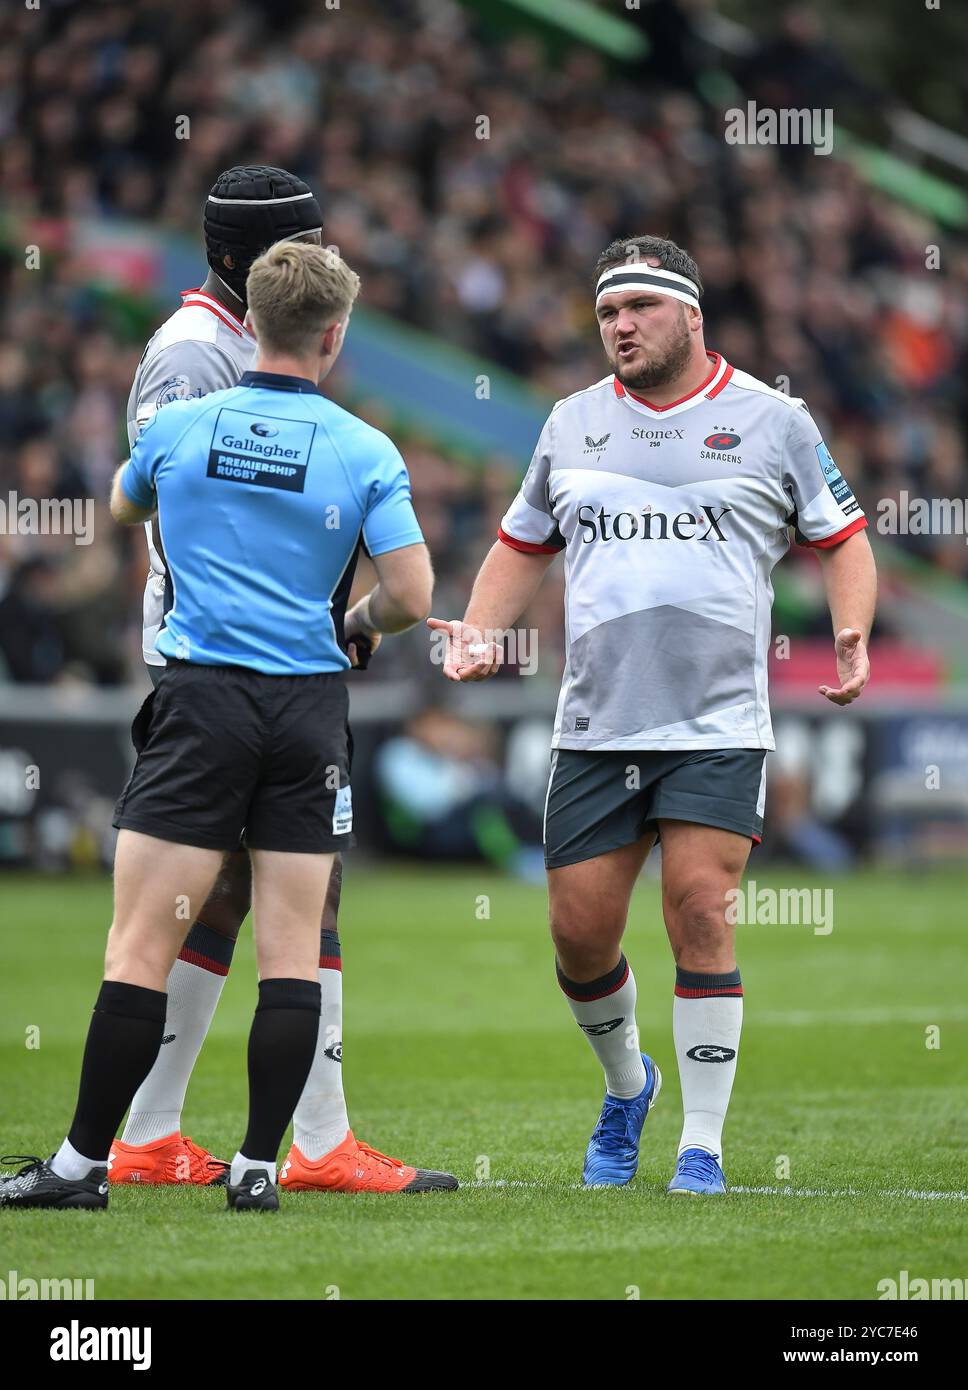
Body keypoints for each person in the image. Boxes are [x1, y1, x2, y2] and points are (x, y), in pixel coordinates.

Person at [0, 240, 455, 1211]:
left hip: (200, 699)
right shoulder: (364, 448)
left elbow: (125, 507)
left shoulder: (181, 427)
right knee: (291, 949)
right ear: (334, 336)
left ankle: (83, 1164)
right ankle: (257, 1167)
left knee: (139, 947)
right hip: (305, 710)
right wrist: (355, 622)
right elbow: (411, 594)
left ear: (247, 322)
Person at [428, 235, 875, 1195]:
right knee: (580, 938)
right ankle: (629, 1088)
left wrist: (849, 631)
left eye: (638, 308)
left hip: (717, 724)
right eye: (605, 314)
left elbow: (844, 539)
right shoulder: (570, 423)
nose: (620, 327)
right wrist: (478, 632)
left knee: (700, 915)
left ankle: (701, 1147)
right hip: (596, 726)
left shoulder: (773, 419)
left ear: (689, 314)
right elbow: (519, 544)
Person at [111, 164, 453, 1195]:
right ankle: (313, 1143)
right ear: (237, 255)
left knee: (219, 905)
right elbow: (175, 517)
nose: (325, 260)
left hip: (247, 661)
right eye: (302, 242)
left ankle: (151, 1133)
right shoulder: (190, 358)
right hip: (226, 667)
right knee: (303, 891)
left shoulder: (236, 343)